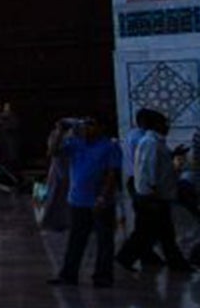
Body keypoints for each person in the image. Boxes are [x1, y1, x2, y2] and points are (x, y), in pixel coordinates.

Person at [49, 116, 123, 287]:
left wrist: (103, 196)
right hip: (78, 199)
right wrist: (60, 131)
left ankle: (102, 276)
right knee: (76, 238)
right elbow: (53, 152)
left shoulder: (109, 146)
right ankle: (69, 274)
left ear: (101, 127)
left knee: (104, 239)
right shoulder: (75, 143)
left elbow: (112, 174)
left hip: (99, 200)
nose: (87, 128)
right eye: (85, 124)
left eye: (91, 124)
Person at [117, 108, 189, 274]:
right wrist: (151, 194)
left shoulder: (155, 142)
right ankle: (125, 257)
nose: (166, 126)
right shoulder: (149, 142)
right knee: (148, 232)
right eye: (163, 123)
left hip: (156, 196)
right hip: (153, 198)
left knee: (160, 232)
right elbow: (146, 170)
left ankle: (175, 262)